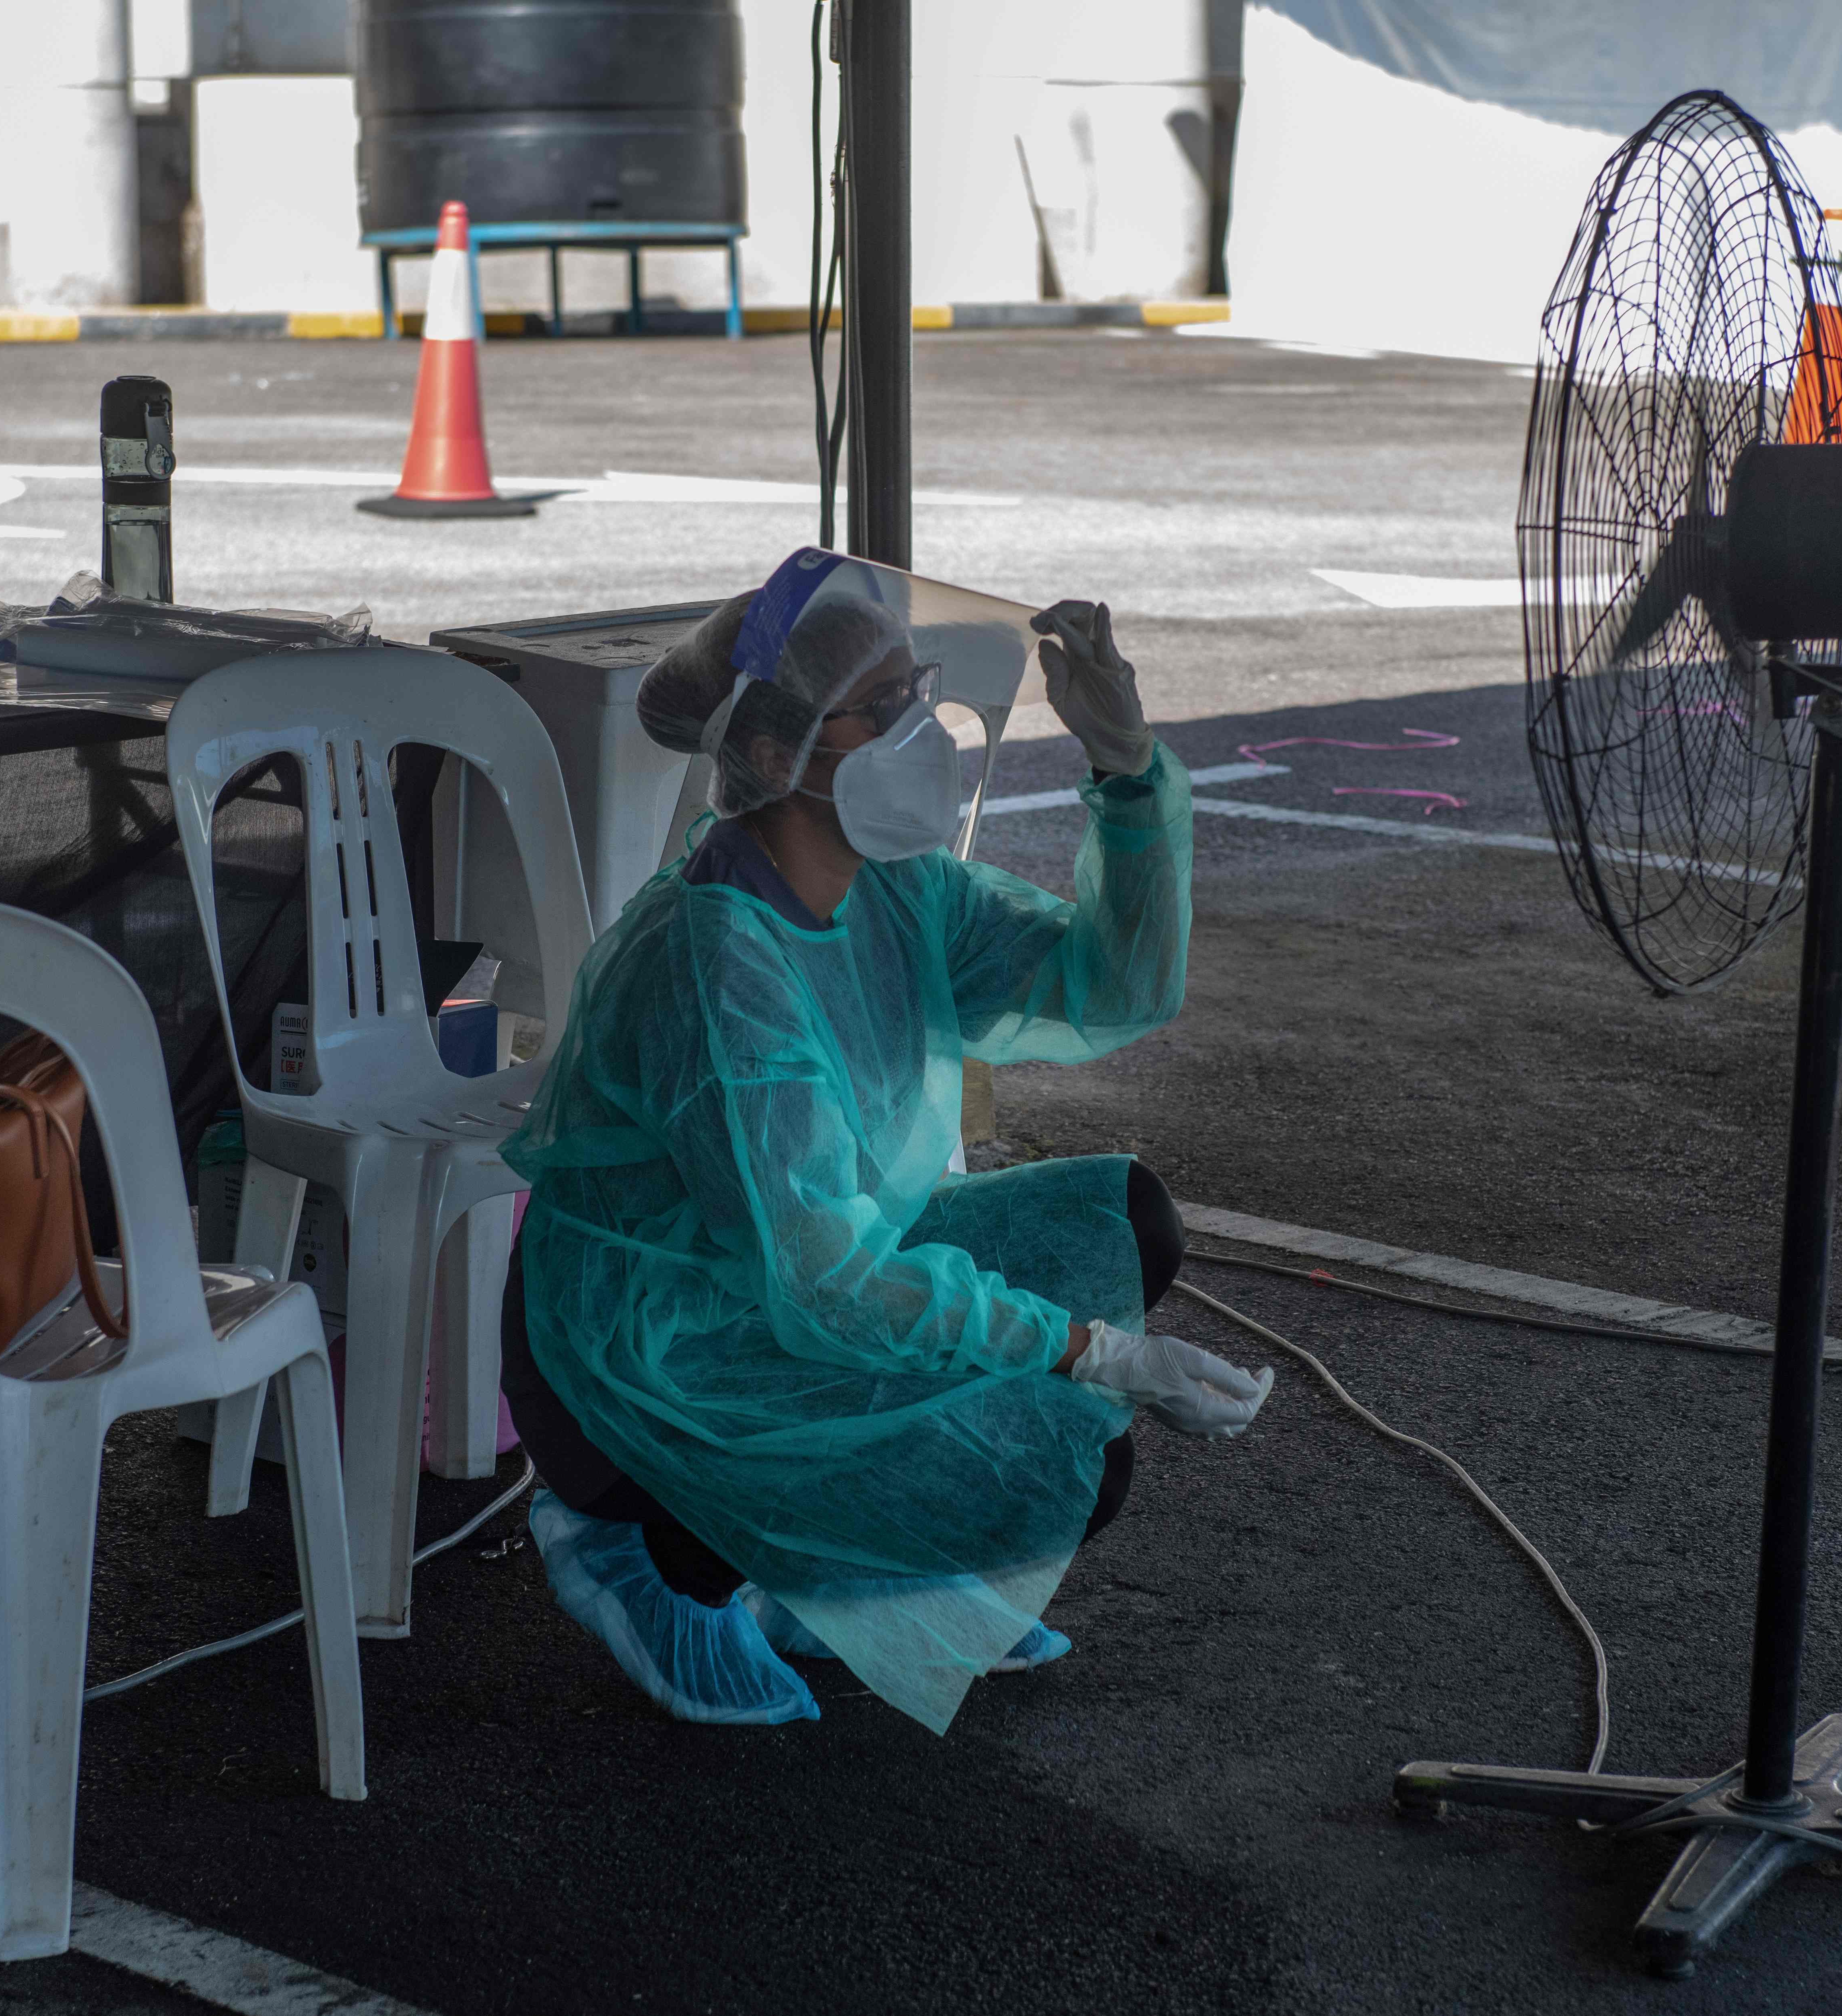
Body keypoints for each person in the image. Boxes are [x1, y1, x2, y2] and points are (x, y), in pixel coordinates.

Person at [497, 557, 1271, 1734]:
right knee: (1073, 1459)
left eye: (917, 695)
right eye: (882, 709)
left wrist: (1124, 778)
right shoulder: (721, 963)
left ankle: (828, 1570)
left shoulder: (898, 888)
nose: (919, 730)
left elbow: (1109, 985)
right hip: (642, 1357)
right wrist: (1087, 1352)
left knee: (1129, 1222)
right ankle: (641, 1553)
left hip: (773, 1287)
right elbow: (832, 1283)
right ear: (775, 755)